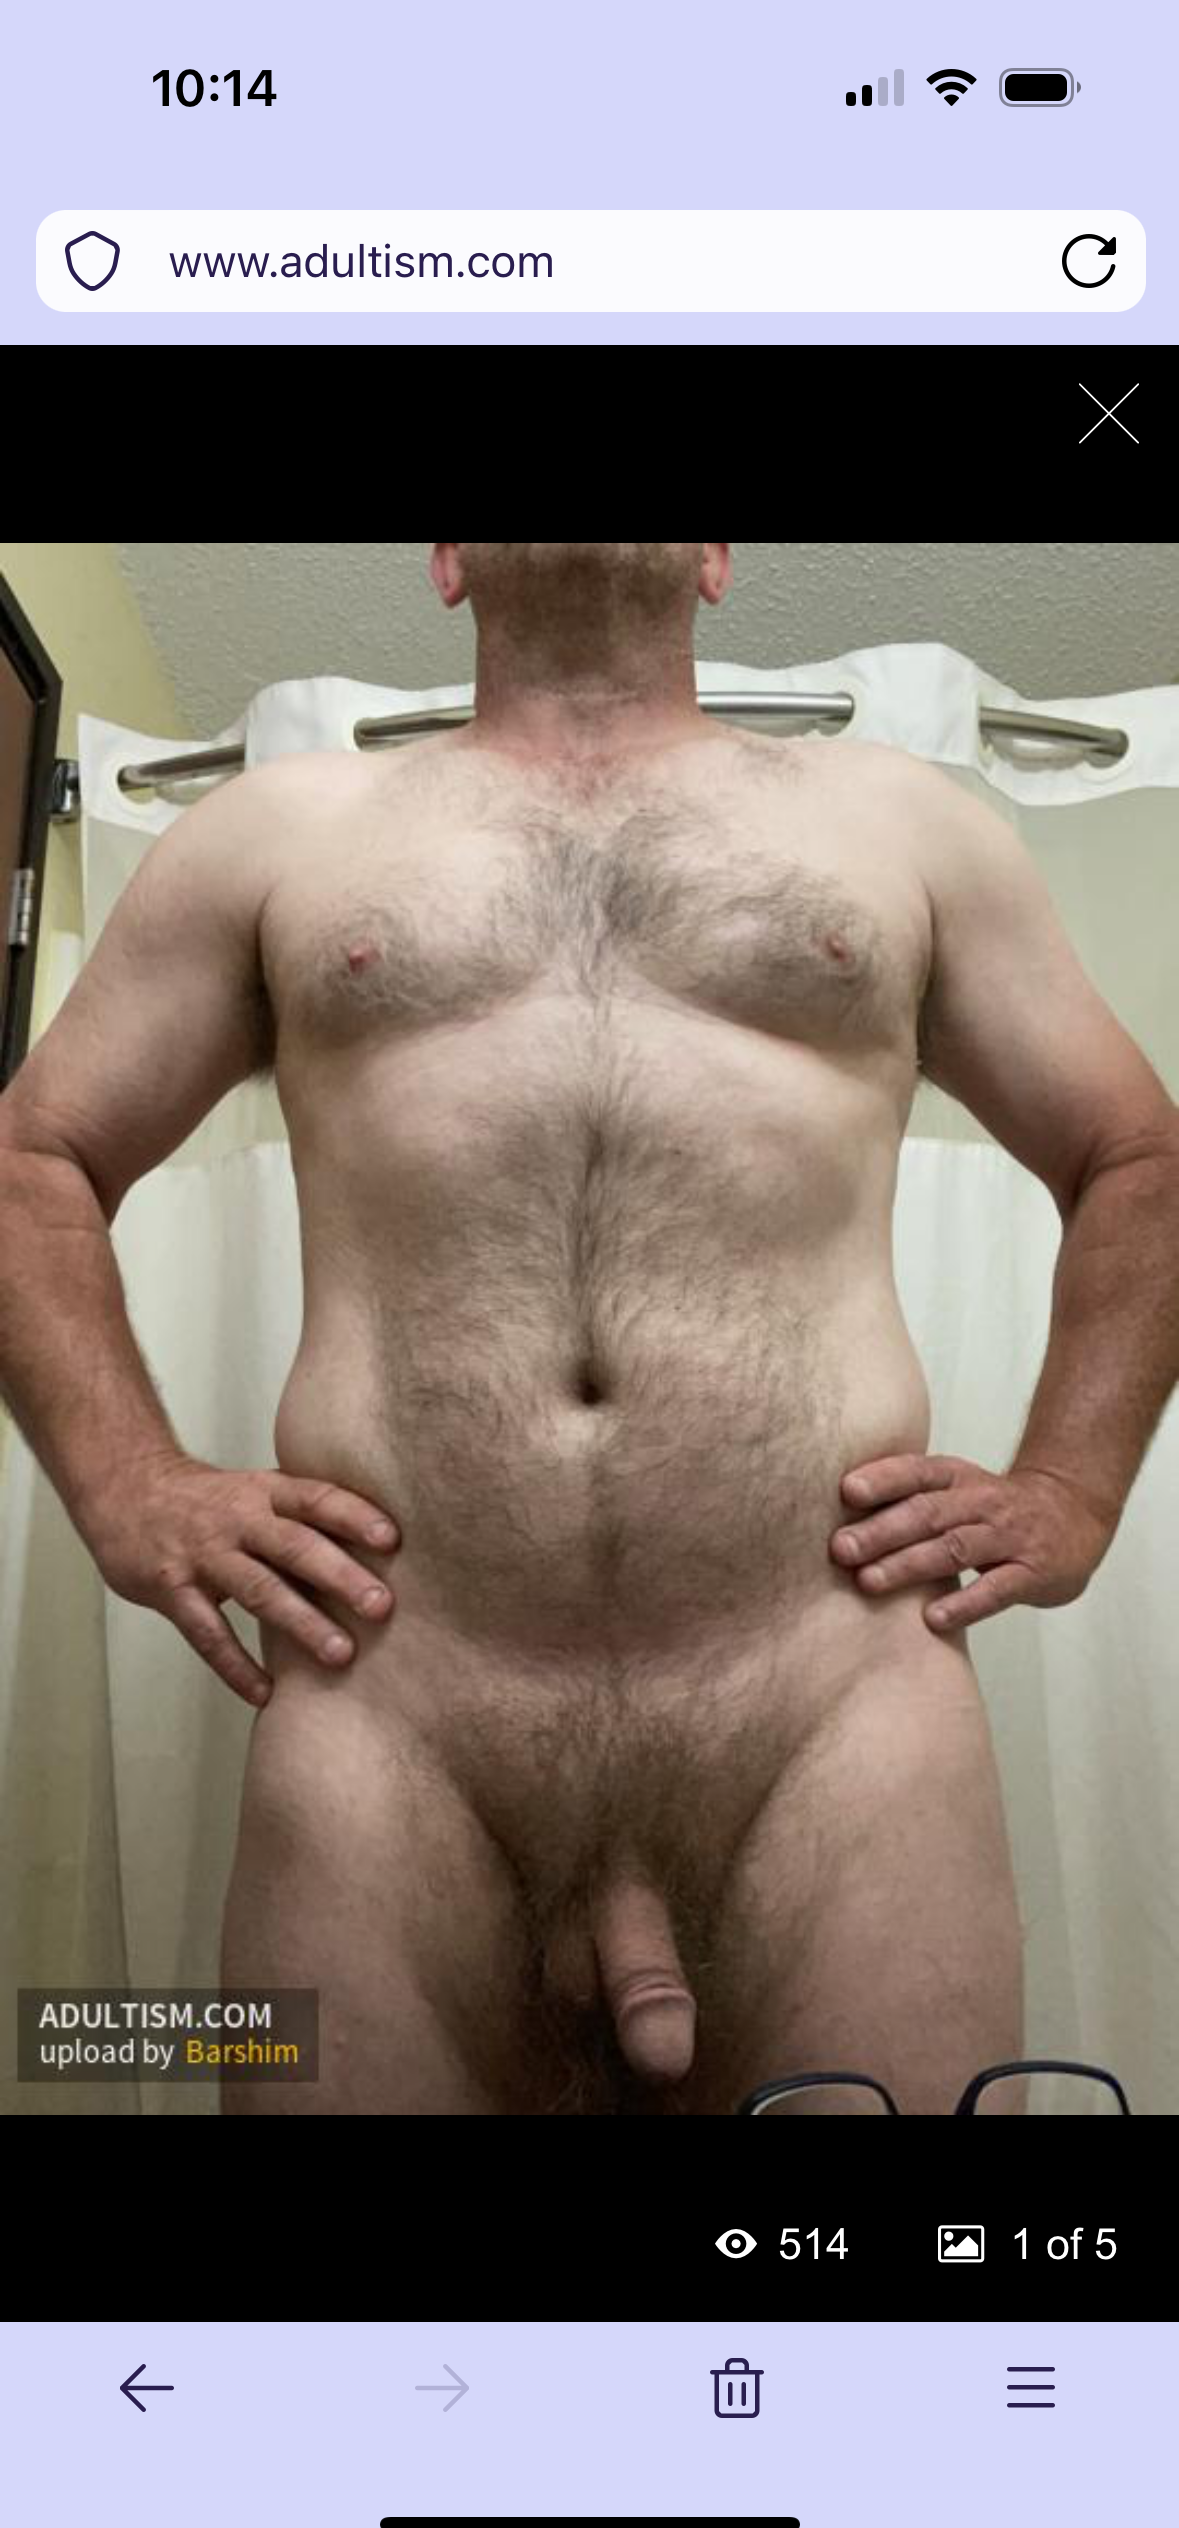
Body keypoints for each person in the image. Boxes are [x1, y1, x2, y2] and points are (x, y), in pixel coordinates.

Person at [1, 541, 1176, 2115]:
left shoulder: (904, 826)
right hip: (391, 1735)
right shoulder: (276, 834)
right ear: (444, 561)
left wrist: (1073, 1486)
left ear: (716, 558)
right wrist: (128, 1483)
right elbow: (32, 1159)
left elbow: (1137, 1156)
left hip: (831, 1727)